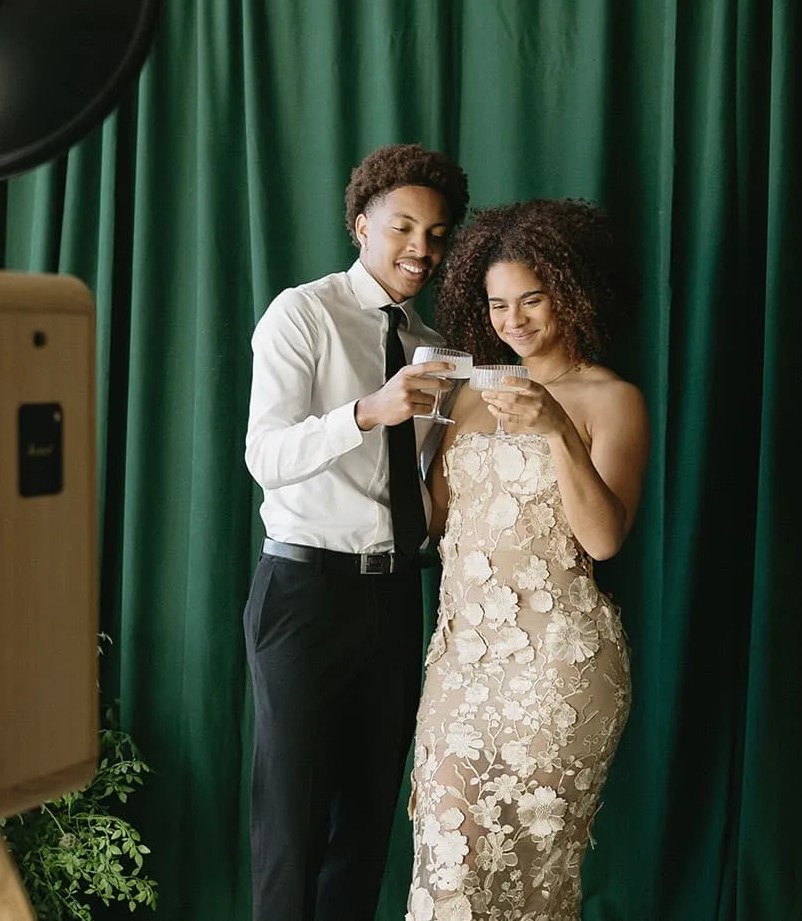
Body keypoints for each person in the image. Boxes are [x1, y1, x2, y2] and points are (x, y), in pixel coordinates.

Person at [243, 143, 470, 921]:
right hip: (304, 590)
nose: (420, 247)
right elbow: (264, 457)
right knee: (292, 822)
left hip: (394, 597)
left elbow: (428, 486)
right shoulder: (301, 313)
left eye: (437, 235)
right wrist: (369, 410)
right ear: (361, 223)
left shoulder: (436, 345)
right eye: (404, 225)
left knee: (368, 821)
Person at [405, 199, 649, 921]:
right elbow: (435, 520)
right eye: (498, 304)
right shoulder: (468, 392)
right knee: (446, 861)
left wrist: (556, 431)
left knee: (537, 881)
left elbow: (604, 539)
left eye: (531, 300)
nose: (513, 320)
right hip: (461, 664)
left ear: (571, 292)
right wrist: (408, 436)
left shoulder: (613, 398)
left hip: (559, 667)